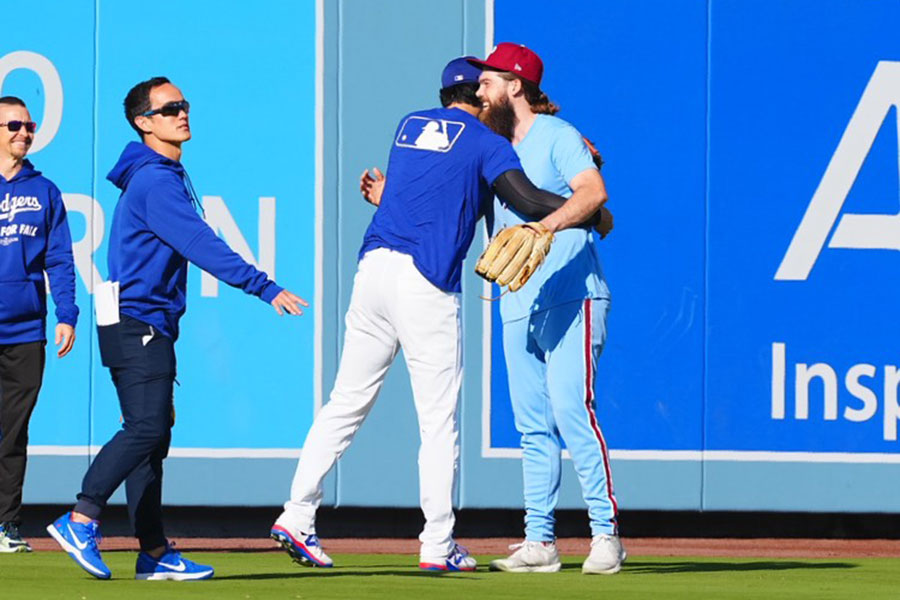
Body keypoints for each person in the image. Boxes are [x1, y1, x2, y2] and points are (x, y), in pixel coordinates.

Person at [271, 57, 589, 572]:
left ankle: (297, 513)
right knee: (438, 423)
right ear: (479, 97)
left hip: (374, 270)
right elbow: (527, 200)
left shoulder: (409, 125)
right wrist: (586, 208)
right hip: (425, 283)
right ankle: (438, 545)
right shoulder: (488, 142)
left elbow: (423, 194)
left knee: (344, 403)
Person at [46, 77, 308, 581]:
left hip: (135, 319)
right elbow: (201, 244)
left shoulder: (160, 174)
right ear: (145, 122)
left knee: (152, 436)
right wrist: (264, 287)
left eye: (184, 105)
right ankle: (81, 517)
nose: (183, 114)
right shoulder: (155, 180)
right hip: (137, 320)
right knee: (145, 428)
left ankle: (153, 552)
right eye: (170, 109)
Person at [469, 43, 625, 575]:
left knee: (572, 410)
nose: (479, 89)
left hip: (572, 293)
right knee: (532, 425)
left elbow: (593, 192)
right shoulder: (491, 147)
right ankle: (540, 541)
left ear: (515, 84)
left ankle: (605, 534)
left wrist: (546, 225)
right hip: (518, 300)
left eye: (487, 80)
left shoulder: (557, 136)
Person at [0, 96, 78, 553]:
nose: (23, 132)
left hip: (26, 331)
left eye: (29, 125)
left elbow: (60, 258)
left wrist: (67, 314)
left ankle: (6, 526)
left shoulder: (45, 191)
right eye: (13, 124)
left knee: (13, 432)